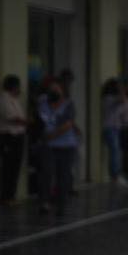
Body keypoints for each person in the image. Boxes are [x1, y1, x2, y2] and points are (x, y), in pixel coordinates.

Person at [38, 75, 81, 217]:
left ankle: (61, 205)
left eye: (57, 89)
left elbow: (68, 124)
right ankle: (45, 202)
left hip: (66, 145)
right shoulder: (43, 101)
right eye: (52, 89)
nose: (54, 91)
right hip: (49, 146)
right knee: (47, 173)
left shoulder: (69, 104)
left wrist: (51, 135)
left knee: (63, 176)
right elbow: (42, 118)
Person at [0, 75, 28, 205]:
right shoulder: (3, 99)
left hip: (17, 136)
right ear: (13, 86)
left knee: (15, 167)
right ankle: (6, 196)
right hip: (7, 136)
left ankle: (11, 195)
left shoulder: (15, 99)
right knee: (8, 166)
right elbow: (12, 117)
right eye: (18, 86)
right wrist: (27, 122)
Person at [101, 79, 127, 185]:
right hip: (110, 128)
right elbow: (122, 100)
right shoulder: (109, 99)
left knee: (116, 152)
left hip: (115, 128)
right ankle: (115, 175)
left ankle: (115, 174)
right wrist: (122, 90)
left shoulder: (112, 99)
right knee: (115, 152)